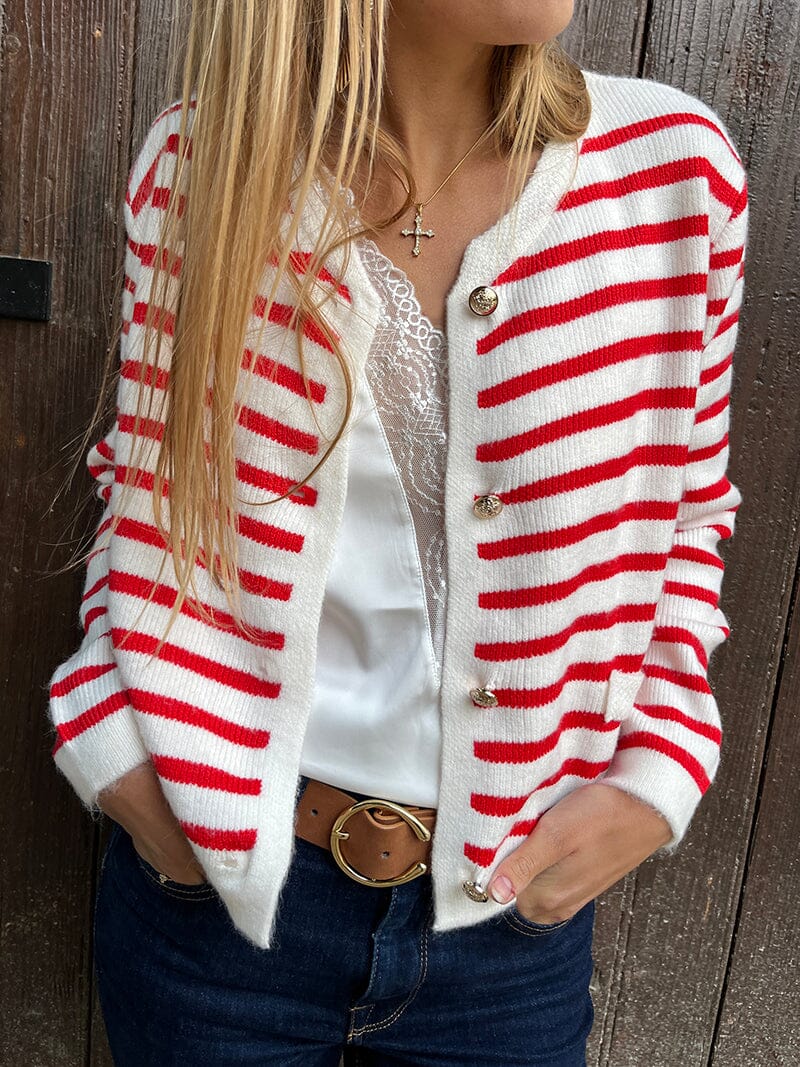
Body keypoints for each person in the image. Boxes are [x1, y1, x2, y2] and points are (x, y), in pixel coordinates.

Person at [46, 1, 749, 1063]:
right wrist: (109, 741)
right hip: (214, 909)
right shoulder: (201, 168)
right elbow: (143, 490)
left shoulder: (674, 176)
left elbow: (687, 509)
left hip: (509, 923)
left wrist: (661, 769)